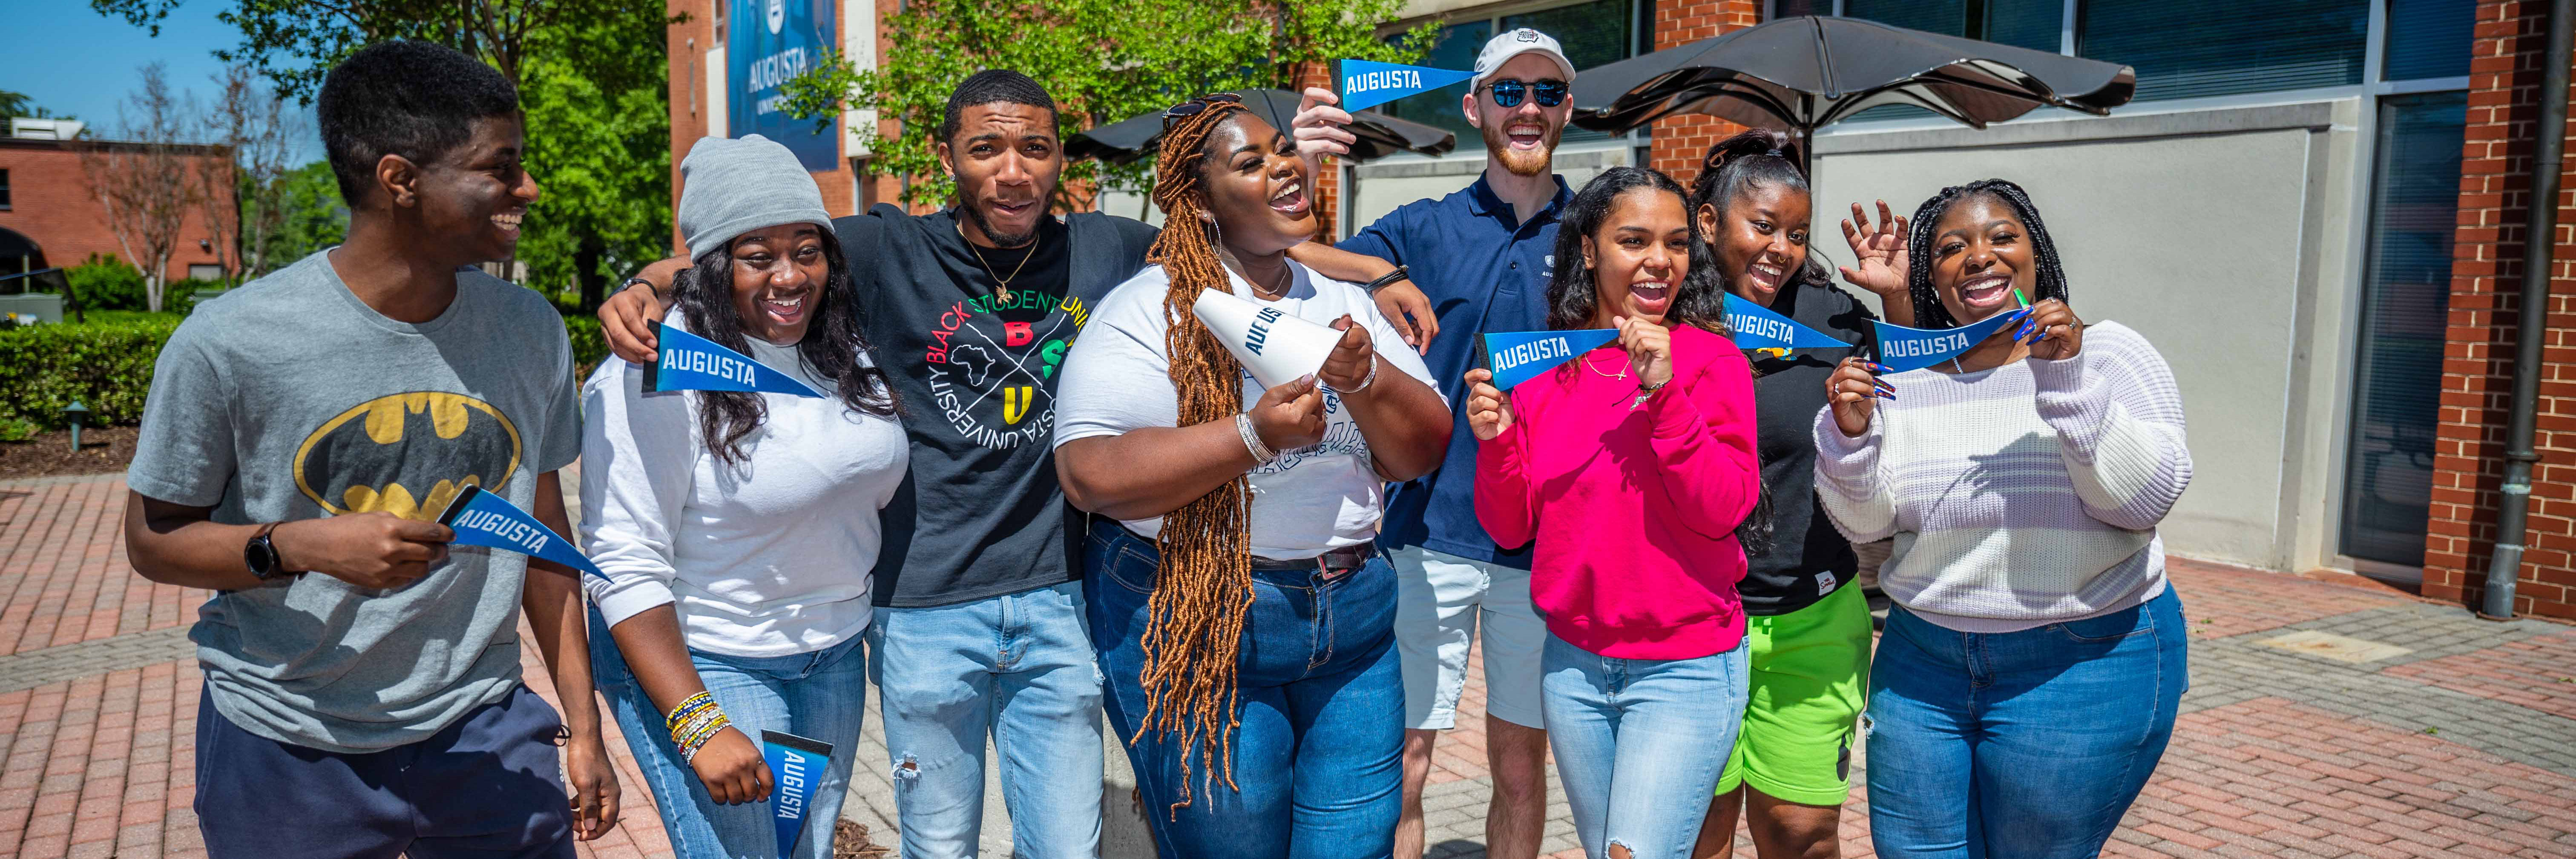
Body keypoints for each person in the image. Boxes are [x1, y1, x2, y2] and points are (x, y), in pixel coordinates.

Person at [599, 69, 1158, 859]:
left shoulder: (1109, 246)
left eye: (1036, 148)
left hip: (1059, 599)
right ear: (946, 157)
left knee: (1068, 846)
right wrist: (645, 284)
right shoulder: (881, 247)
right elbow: (750, 248)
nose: (1013, 170)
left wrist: (1371, 270)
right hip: (918, 610)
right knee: (933, 845)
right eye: (986, 147)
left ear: (1060, 156)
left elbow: (1233, 245)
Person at [119, 40, 618, 858]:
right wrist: (299, 547)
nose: (526, 188)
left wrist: (583, 722)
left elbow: (544, 537)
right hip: (284, 740)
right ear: (400, 180)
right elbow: (152, 540)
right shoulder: (230, 342)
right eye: (501, 167)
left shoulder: (530, 331)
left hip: (482, 725)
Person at [1053, 94, 1452, 857]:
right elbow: (1090, 474)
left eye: (1282, 151)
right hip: (1199, 620)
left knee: (1356, 843)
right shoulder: (1146, 312)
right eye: (1251, 163)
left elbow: (1420, 452)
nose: (1284, 169)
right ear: (1200, 202)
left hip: (1354, 622)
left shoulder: (1347, 304)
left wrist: (1367, 380)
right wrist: (1250, 434)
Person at [1815, 179, 2192, 859]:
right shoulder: (1911, 378)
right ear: (1933, 278)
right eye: (1951, 248)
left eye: (2001, 238)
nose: (1978, 257)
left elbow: (2141, 503)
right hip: (1921, 665)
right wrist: (1849, 441)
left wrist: (2068, 381)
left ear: (2036, 254)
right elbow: (1867, 525)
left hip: (2082, 662)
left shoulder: (2108, 353)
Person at [1283, 29, 1581, 858]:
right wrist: (1377, 270)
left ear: (1567, 110)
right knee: (1408, 760)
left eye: (1548, 92)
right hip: (1425, 534)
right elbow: (1286, 245)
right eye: (1510, 91)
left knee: (1521, 768)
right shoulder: (1422, 226)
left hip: (1540, 542)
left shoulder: (1599, 231)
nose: (1528, 108)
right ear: (1474, 104)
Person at [580, 135, 906, 859]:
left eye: (807, 250)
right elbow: (620, 561)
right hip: (712, 658)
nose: (789, 276)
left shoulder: (841, 344)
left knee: (804, 849)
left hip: (832, 657)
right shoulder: (658, 365)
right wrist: (698, 721)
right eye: (758, 257)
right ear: (718, 266)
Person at [1466, 166, 1764, 859]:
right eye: (1634, 240)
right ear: (1590, 249)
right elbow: (1513, 529)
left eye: (1676, 243)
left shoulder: (1712, 361)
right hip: (1573, 669)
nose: (1660, 261)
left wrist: (1664, 394)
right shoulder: (1546, 367)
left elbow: (1723, 508)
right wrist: (1498, 444)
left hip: (1685, 669)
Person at [1682, 130, 1908, 859]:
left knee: (1801, 832)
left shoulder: (1833, 316)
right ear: (1711, 224)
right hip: (1692, 622)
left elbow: (1924, 391)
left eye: (1797, 233)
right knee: (1700, 833)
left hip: (1814, 614)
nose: (1781, 248)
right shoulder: (1669, 311)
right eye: (1764, 226)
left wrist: (1897, 297)